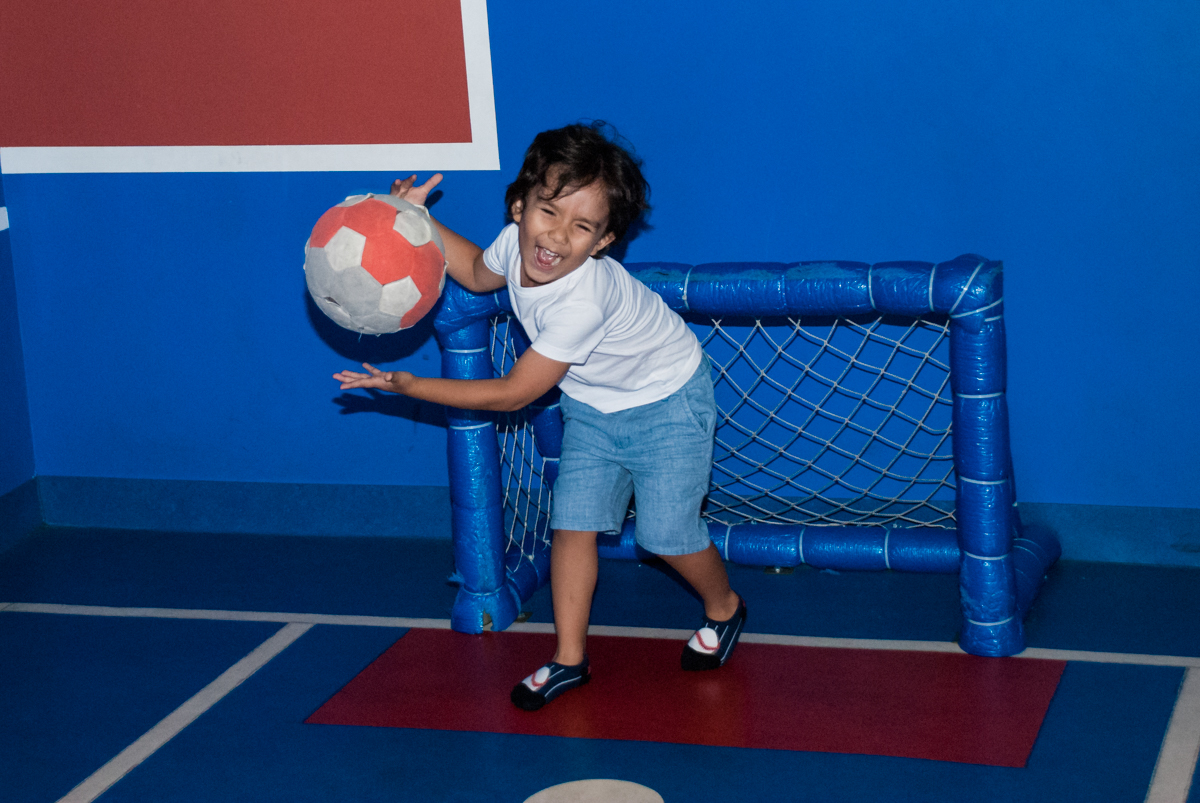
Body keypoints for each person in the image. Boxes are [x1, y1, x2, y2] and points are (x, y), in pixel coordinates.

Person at [333, 122, 746, 711]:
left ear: (602, 243)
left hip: (666, 399)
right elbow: (477, 272)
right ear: (520, 206)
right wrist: (415, 220)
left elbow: (510, 395)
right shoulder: (515, 243)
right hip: (595, 404)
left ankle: (726, 609)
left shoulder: (581, 300)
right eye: (549, 212)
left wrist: (410, 384)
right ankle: (569, 659)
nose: (557, 236)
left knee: (665, 535)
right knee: (571, 525)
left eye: (582, 227)